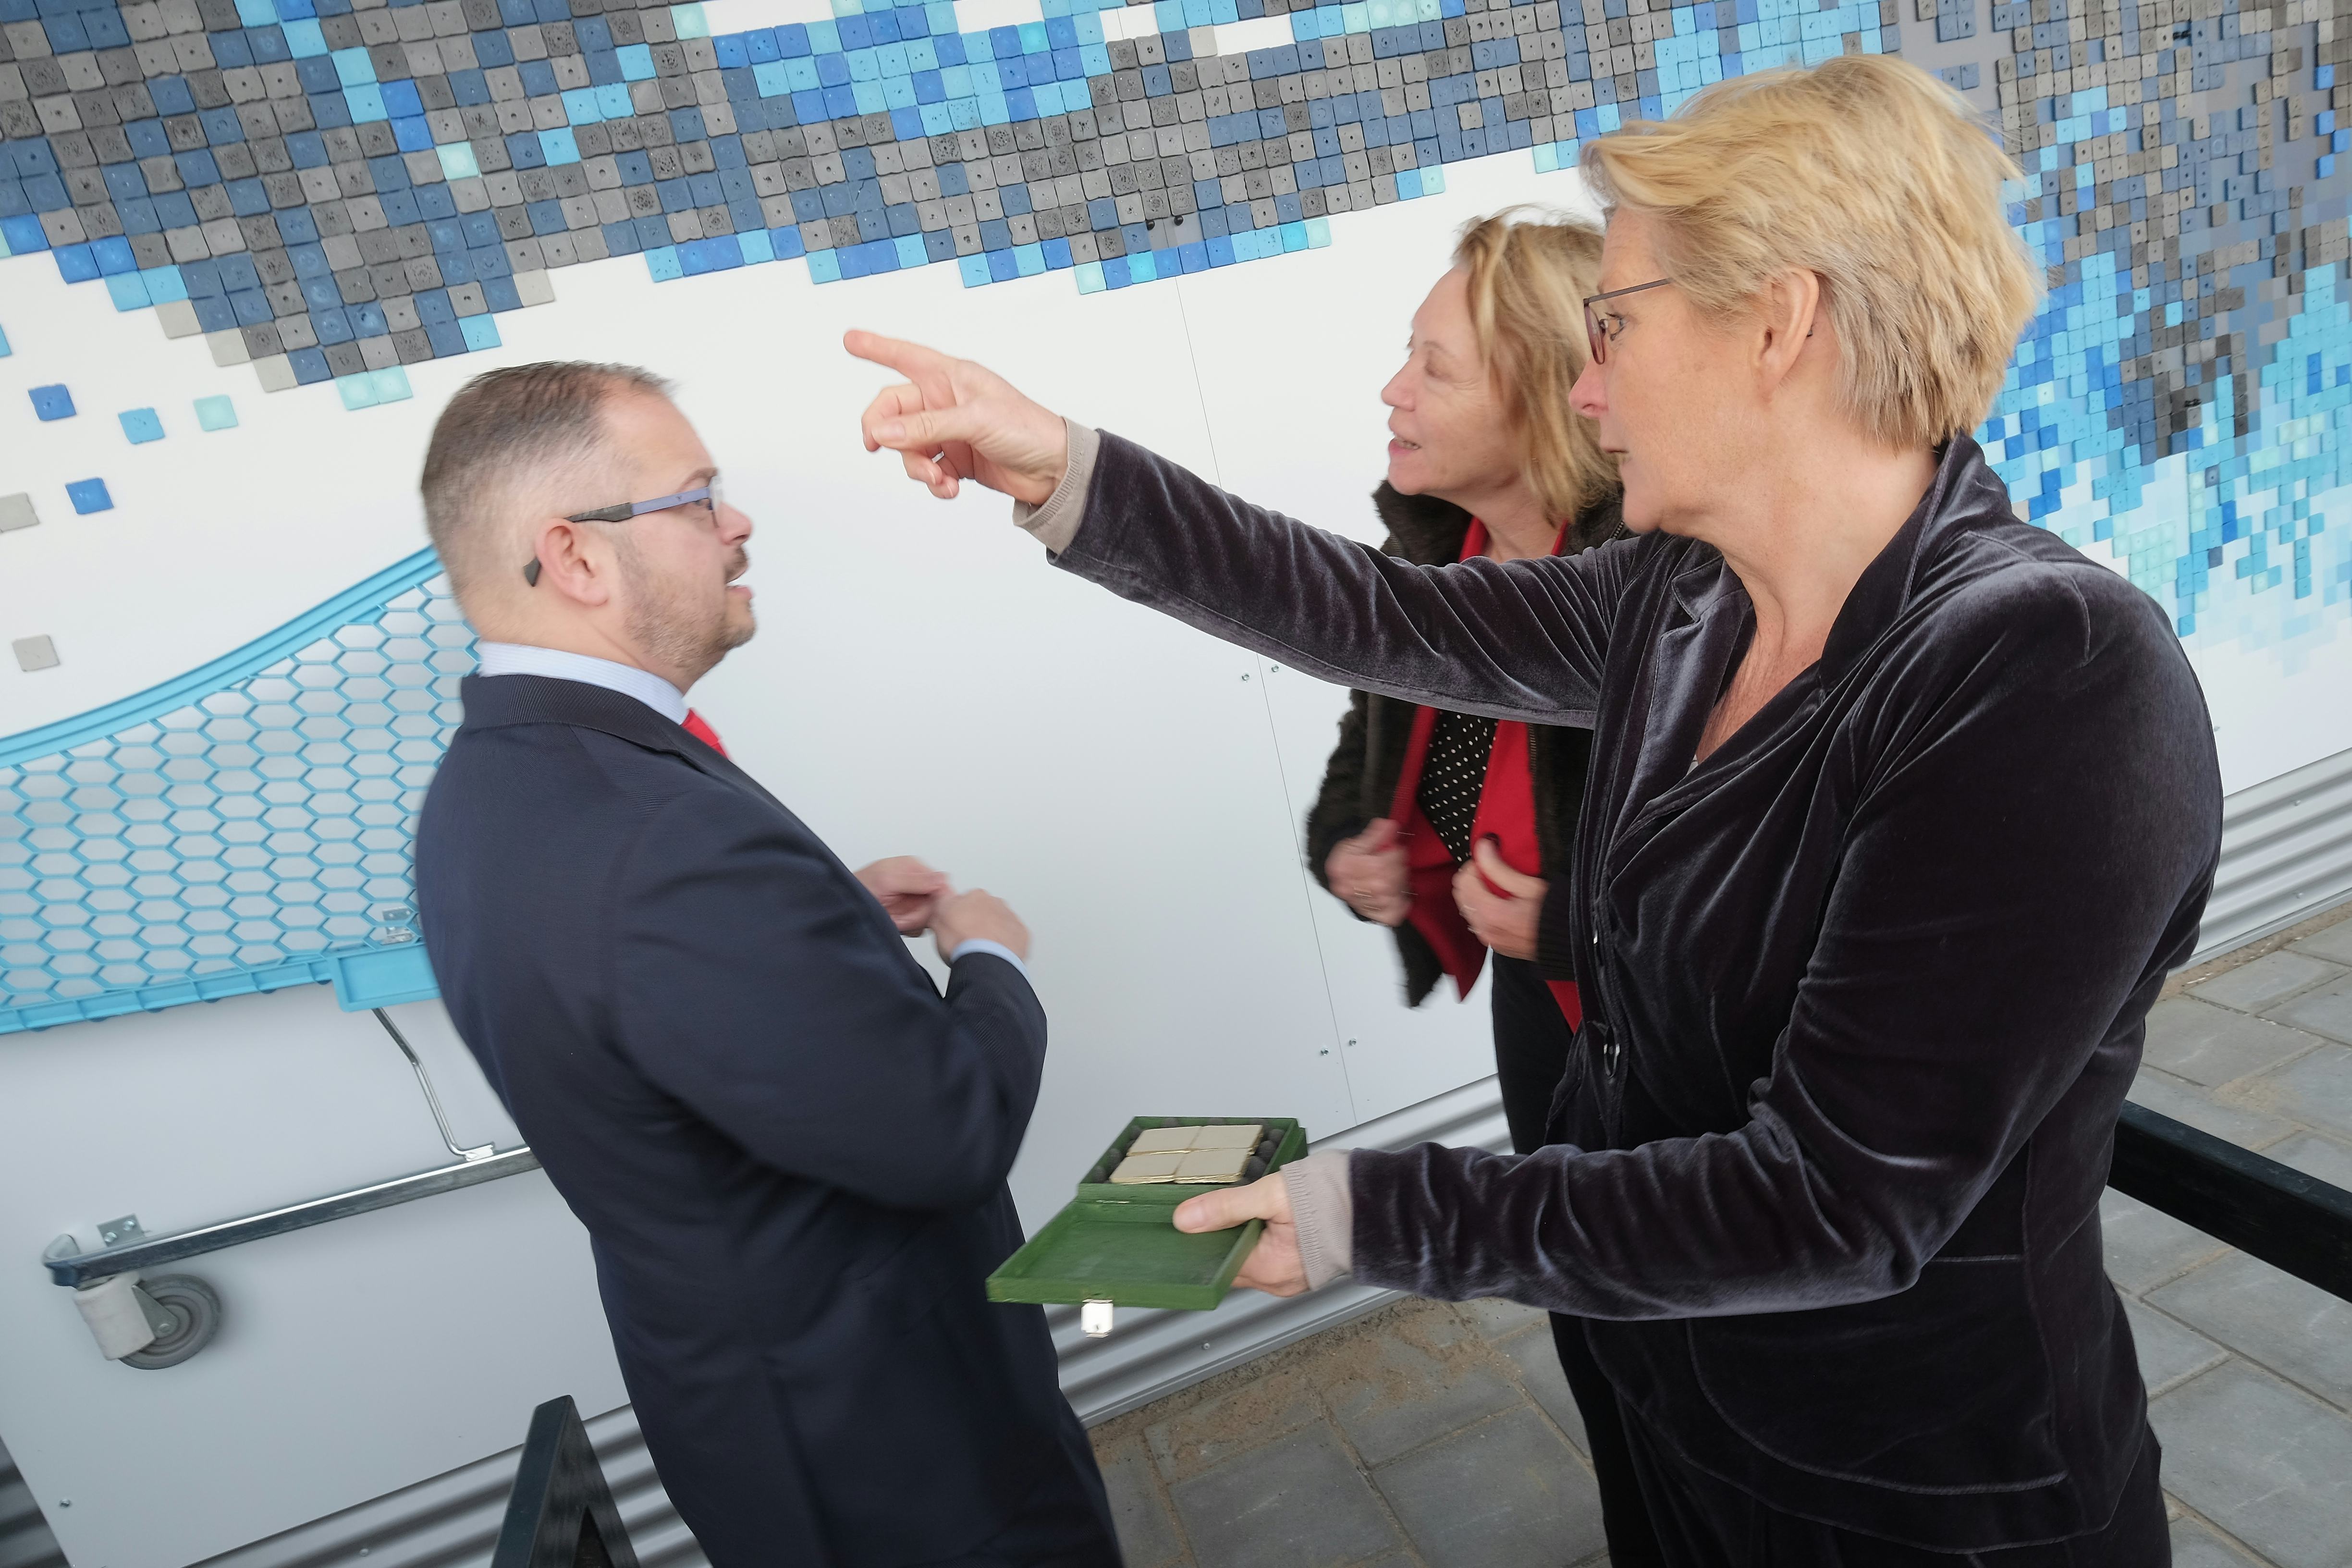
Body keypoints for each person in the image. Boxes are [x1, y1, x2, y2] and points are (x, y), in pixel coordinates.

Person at [849, 54, 2220, 1568]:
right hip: (1694, 1423)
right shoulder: (1687, 595)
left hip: (1917, 1499)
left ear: (1781, 323)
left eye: (1613, 326)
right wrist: (1066, 473)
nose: (1585, 388)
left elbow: (1836, 1202)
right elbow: (1375, 611)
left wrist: (1374, 1212)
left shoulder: (2046, 671)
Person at [411, 362, 1117, 1568]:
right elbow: (945, 1134)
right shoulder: (656, 838)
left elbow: (626, 989)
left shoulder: (497, 783)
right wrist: (990, 955)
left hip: (762, 1417)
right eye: (696, 499)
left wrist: (823, 922)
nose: (738, 525)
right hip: (896, 1450)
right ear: (575, 558)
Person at [1306, 211, 1655, 1565]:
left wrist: (1574, 921)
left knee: (1683, 1317)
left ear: (1543, 385)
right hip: (1539, 1007)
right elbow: (1369, 750)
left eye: (1433, 367)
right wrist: (1352, 845)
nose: (1394, 392)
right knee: (1589, 1311)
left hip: (1653, 1010)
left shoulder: (1660, 578)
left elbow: (1757, 870)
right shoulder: (1434, 556)